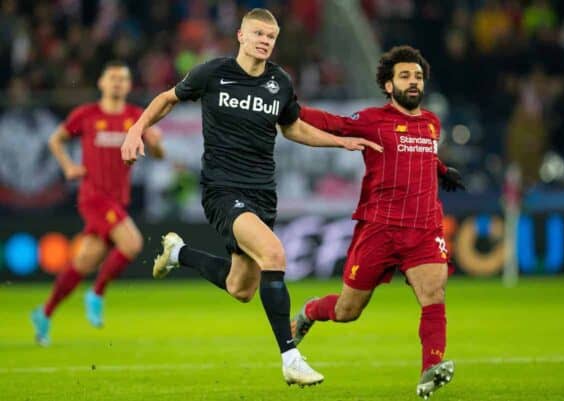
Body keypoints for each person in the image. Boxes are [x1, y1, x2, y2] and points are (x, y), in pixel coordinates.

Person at [120, 8, 381, 387]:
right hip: (222, 190)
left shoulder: (279, 82)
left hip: (263, 194)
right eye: (257, 33)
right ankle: (290, 358)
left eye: (270, 37)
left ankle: (179, 254)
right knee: (274, 254)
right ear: (240, 35)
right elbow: (167, 98)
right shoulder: (213, 73)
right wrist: (136, 130)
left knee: (241, 288)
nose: (264, 41)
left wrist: (339, 141)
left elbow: (292, 128)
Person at [289, 45, 465, 399]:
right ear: (388, 85)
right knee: (347, 310)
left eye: (417, 77)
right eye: (405, 76)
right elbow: (333, 123)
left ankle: (430, 369)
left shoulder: (432, 123)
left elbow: (423, 155)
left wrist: (443, 171)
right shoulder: (372, 120)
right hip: (379, 229)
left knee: (434, 294)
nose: (413, 82)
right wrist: (290, 109)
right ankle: (309, 312)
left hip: (424, 227)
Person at [31, 61, 165, 346]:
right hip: (93, 196)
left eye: (123, 79)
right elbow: (56, 139)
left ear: (129, 86)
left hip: (118, 200)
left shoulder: (135, 117)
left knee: (84, 261)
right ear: (102, 83)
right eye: (112, 78)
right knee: (132, 244)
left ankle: (44, 313)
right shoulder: (87, 114)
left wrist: (155, 143)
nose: (117, 83)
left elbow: (159, 155)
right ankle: (97, 293)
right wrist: (68, 166)